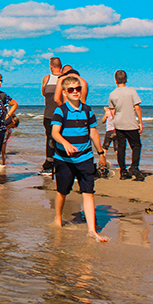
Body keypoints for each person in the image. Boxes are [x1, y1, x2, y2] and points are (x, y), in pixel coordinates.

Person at [51, 75, 108, 242]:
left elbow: (93, 132)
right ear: (65, 93)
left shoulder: (88, 110)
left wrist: (101, 152)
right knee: (62, 192)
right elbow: (55, 132)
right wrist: (66, 144)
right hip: (64, 159)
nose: (75, 92)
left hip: (86, 157)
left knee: (88, 192)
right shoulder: (60, 111)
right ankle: (57, 218)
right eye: (71, 90)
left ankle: (92, 230)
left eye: (78, 89)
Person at [108, 70, 144, 181]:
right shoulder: (131, 92)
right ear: (126, 79)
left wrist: (115, 119)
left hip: (119, 123)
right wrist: (140, 121)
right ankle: (134, 166)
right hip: (131, 123)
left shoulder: (112, 94)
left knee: (121, 148)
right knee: (136, 145)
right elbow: (137, 107)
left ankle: (123, 171)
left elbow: (112, 110)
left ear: (115, 80)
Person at [39, 57, 64, 176]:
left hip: (50, 114)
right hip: (61, 114)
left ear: (51, 66)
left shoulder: (47, 78)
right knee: (60, 139)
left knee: (50, 139)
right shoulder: (65, 79)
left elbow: (43, 93)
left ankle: (49, 165)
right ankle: (56, 164)